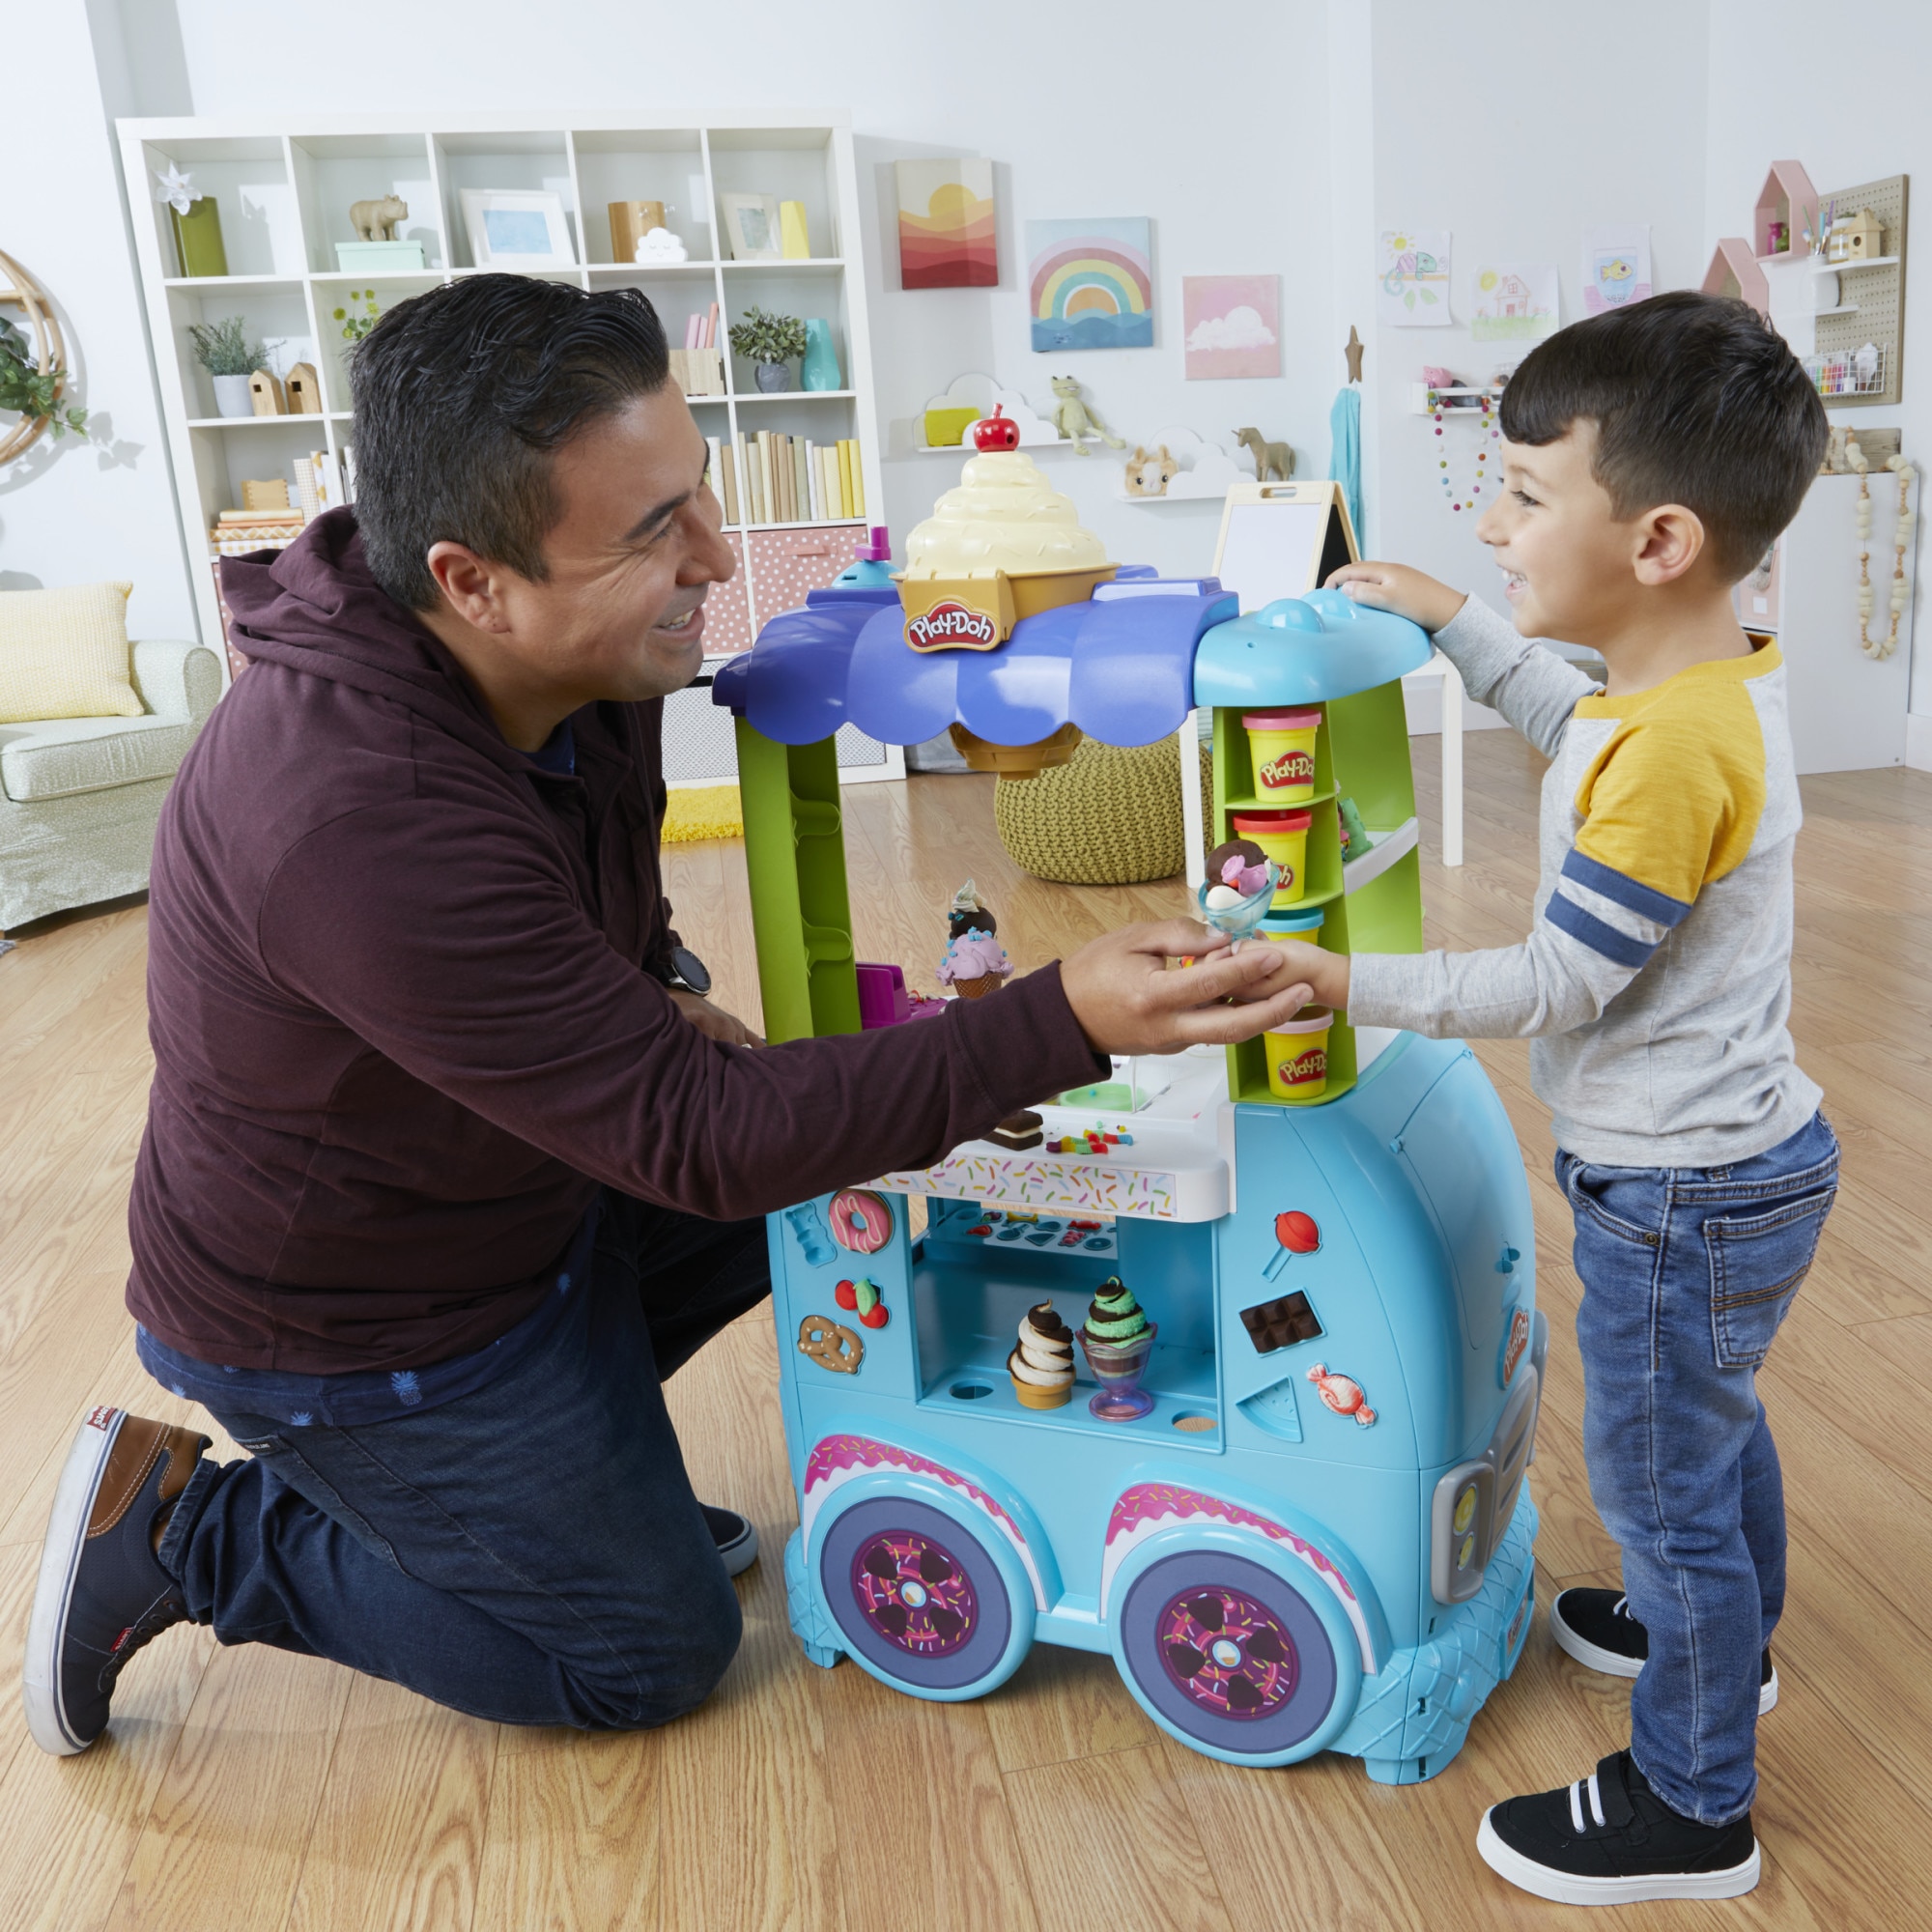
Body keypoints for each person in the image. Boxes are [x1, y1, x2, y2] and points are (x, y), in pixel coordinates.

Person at [23, 276, 1315, 1757]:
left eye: (694, 494)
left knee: (850, 1157)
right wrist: (1064, 1015)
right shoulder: (349, 814)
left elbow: (618, 934)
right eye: (654, 532)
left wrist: (660, 990)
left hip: (517, 1198)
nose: (715, 555)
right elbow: (701, 1145)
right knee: (646, 1653)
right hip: (364, 1325)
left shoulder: (586, 663)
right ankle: (194, 1531)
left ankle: (554, 1494)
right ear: (473, 582)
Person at [1301, 292, 1835, 1906]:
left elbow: (1553, 983)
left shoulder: (1676, 751)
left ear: (1660, 537)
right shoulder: (1683, 686)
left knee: (1664, 1487)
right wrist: (1461, 617)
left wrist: (1336, 978)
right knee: (1706, 1437)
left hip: (1679, 1185)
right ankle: (1719, 1645)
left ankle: (1694, 1802)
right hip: (1733, 1162)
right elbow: (1564, 720)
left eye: (1527, 494)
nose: (1491, 515)